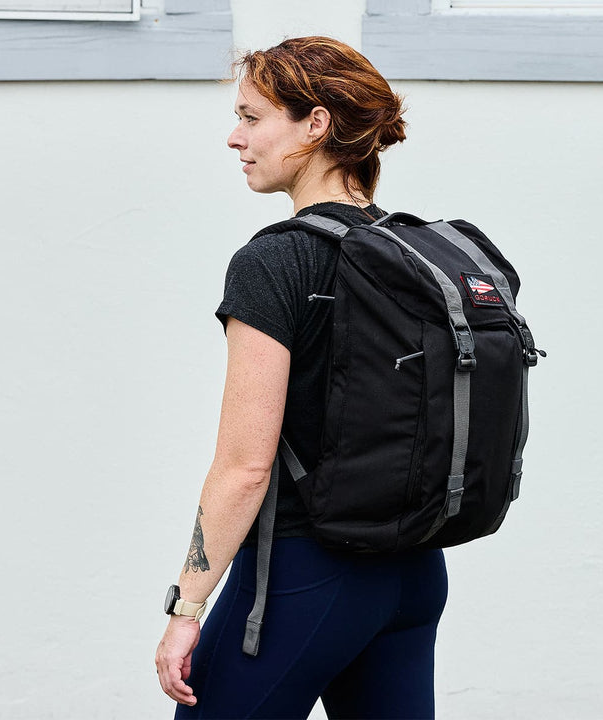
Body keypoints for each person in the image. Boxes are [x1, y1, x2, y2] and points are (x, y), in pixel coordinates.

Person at [155, 36, 448, 720]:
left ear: (316, 124)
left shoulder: (275, 263)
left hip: (307, 573)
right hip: (413, 573)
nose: (236, 137)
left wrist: (186, 607)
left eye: (253, 116)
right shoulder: (416, 252)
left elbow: (244, 469)